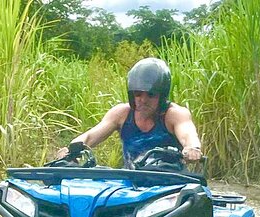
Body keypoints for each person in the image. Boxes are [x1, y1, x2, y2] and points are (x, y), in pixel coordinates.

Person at [56, 58, 203, 168]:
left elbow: (188, 134)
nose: (143, 100)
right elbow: (90, 136)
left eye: (150, 95)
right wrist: (71, 149)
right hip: (131, 182)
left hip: (168, 182)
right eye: (138, 94)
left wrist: (192, 148)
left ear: (162, 95)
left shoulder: (175, 114)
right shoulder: (121, 113)